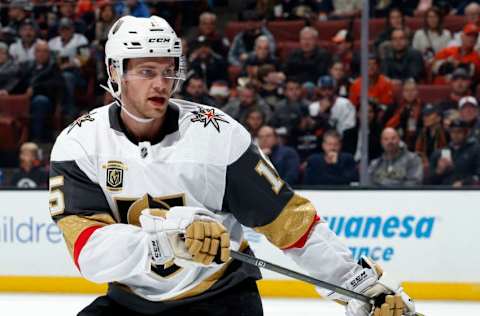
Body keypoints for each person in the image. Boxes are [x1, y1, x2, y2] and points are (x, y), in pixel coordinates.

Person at [49, 15, 414, 316]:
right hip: (131, 303)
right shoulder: (79, 145)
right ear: (115, 71)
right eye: (146, 71)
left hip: (220, 300)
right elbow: (89, 252)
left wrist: (357, 285)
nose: (161, 84)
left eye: (168, 70)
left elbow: (290, 222)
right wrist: (168, 241)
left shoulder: (216, 134)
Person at [426, 119, 480, 186]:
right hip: (443, 192)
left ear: (467, 133)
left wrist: (464, 183)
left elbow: (478, 176)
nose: (455, 135)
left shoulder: (476, 150)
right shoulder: (439, 153)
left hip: (468, 192)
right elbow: (426, 182)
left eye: (459, 132)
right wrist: (439, 171)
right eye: (452, 132)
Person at [383, 79, 425, 151]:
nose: (410, 93)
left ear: (417, 92)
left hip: (418, 139)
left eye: (412, 90)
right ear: (403, 93)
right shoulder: (395, 106)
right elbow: (386, 124)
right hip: (398, 139)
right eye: (407, 91)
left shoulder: (423, 106)